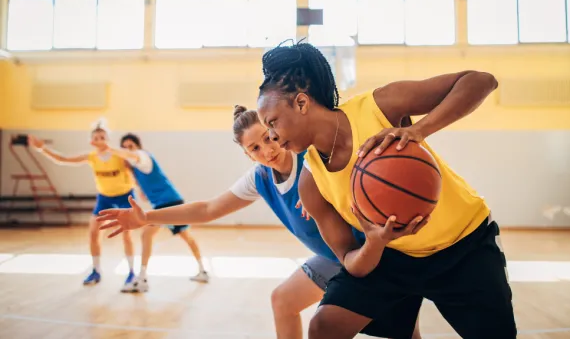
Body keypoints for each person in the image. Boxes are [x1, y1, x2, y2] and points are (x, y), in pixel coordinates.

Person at [256, 42, 517, 339]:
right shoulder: (310, 184)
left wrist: (419, 130)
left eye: (272, 122)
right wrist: (374, 243)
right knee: (325, 326)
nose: (273, 137)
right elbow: (350, 261)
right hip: (393, 257)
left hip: (465, 247)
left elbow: (481, 81)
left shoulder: (379, 106)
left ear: (301, 103)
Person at [96, 106, 423, 339]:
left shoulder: (309, 159)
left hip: (363, 253)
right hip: (331, 258)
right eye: (255, 147)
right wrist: (147, 217)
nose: (268, 149)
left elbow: (356, 183)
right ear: (247, 154)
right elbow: (207, 209)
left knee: (403, 332)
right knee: (283, 301)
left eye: (269, 138)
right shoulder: (259, 178)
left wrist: (327, 198)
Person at [28, 120, 136, 291]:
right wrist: (42, 148)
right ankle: (96, 270)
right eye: (96, 137)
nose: (100, 139)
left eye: (103, 136)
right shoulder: (91, 157)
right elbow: (62, 159)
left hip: (124, 196)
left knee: (126, 235)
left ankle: (131, 272)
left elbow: (135, 164)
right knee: (93, 232)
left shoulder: (118, 155)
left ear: (108, 139)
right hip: (105, 198)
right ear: (91, 141)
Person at [102, 132, 209, 292]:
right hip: (165, 203)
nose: (127, 150)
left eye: (130, 146)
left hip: (169, 202)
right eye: (124, 147)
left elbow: (131, 156)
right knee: (184, 236)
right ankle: (203, 270)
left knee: (147, 234)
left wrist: (108, 148)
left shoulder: (143, 157)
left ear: (138, 147)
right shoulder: (136, 167)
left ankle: (142, 279)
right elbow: (143, 191)